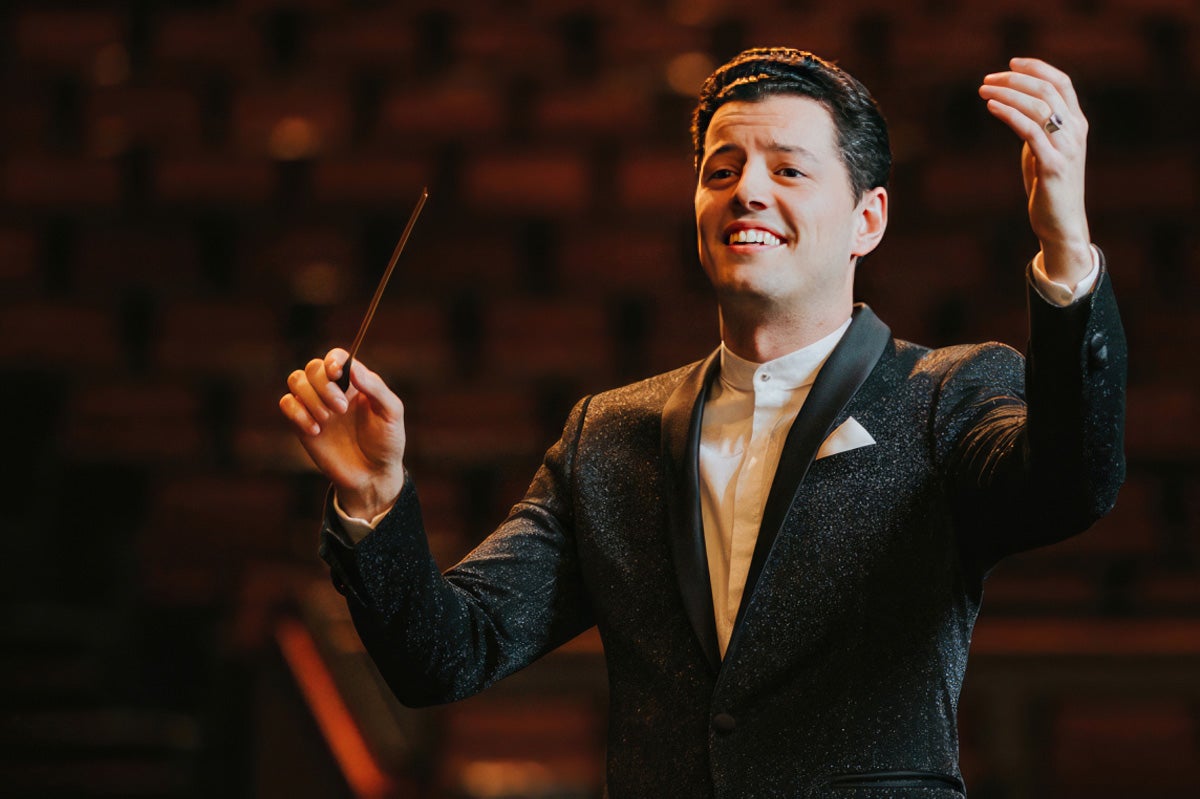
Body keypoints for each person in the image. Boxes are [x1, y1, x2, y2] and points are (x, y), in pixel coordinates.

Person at [279, 48, 1125, 798]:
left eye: (788, 170)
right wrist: (374, 496)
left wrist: (1064, 248)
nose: (747, 189)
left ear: (868, 218)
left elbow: (1071, 485)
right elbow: (448, 655)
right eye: (721, 170)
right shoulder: (606, 435)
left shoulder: (950, 393)